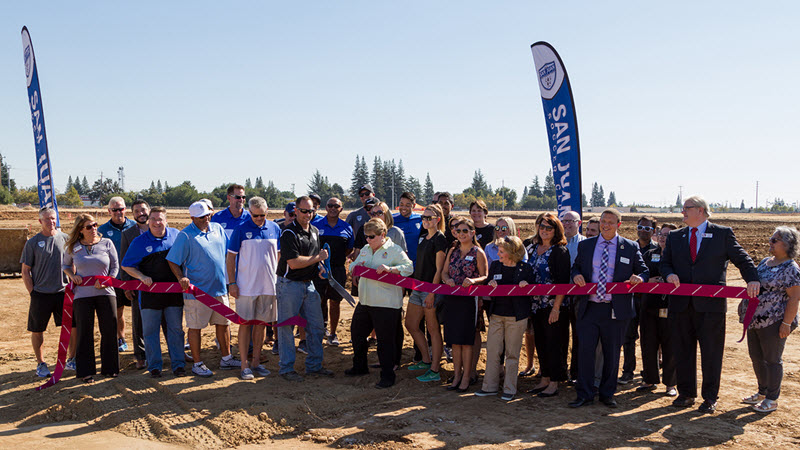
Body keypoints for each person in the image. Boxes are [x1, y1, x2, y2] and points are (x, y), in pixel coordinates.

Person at [661, 195, 760, 413]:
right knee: (683, 351)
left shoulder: (722, 233)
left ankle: (709, 398)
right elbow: (665, 263)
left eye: (686, 208)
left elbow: (742, 259)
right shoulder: (676, 236)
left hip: (711, 308)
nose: (682, 212)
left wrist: (752, 278)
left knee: (711, 353)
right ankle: (686, 394)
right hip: (680, 305)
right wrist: (668, 275)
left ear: (701, 210)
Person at [569, 208, 648, 408]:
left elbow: (644, 270)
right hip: (590, 307)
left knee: (612, 354)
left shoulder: (629, 247)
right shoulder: (586, 246)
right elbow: (576, 267)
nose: (605, 225)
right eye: (603, 221)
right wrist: (576, 275)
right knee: (585, 353)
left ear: (618, 225)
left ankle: (607, 394)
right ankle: (585, 394)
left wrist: (639, 278)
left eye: (610, 222)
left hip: (615, 309)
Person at [166, 201, 240, 377]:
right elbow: (172, 260)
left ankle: (226, 358)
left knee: (223, 325)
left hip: (220, 289)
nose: (206, 219)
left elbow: (228, 255)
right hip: (197, 293)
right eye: (201, 217)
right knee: (196, 327)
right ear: (192, 218)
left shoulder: (218, 229)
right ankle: (197, 363)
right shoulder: (185, 236)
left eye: (208, 215)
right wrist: (180, 277)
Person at [739, 226, 800, 413]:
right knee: (756, 357)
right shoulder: (765, 262)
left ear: (788, 244)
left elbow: (794, 298)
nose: (770, 243)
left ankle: (772, 399)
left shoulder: (791, 268)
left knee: (772, 360)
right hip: (755, 319)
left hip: (774, 321)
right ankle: (762, 392)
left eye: (775, 240)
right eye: (770, 239)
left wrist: (786, 324)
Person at [346, 219, 414, 388]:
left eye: (372, 237)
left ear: (382, 235)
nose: (368, 240)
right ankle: (359, 366)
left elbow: (409, 268)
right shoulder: (365, 249)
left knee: (385, 342)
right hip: (366, 300)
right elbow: (352, 265)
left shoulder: (394, 250)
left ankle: (387, 376)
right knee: (357, 334)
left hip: (386, 304)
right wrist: (355, 267)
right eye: (366, 237)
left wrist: (390, 269)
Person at [121, 207, 186, 378]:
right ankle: (155, 366)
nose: (157, 223)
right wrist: (141, 276)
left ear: (167, 221)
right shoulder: (139, 241)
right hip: (149, 296)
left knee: (176, 330)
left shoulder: (176, 235)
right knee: (150, 332)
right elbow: (126, 265)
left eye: (160, 219)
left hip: (173, 294)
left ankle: (178, 364)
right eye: (154, 219)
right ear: (148, 221)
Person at [276, 196, 333, 381]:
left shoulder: (315, 231)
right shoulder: (288, 233)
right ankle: (286, 369)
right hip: (289, 285)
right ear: (296, 210)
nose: (308, 214)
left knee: (316, 327)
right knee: (287, 327)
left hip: (309, 284)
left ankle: (315, 366)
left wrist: (320, 267)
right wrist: (318, 259)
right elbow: (293, 263)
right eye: (304, 211)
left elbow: (312, 257)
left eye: (311, 211)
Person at [225, 197, 281, 380]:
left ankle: (256, 362)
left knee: (261, 325)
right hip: (246, 288)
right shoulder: (241, 229)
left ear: (267, 211)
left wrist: (279, 281)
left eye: (262, 215)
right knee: (245, 325)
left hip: (268, 287)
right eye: (255, 216)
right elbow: (231, 258)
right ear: (250, 213)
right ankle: (244, 365)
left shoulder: (275, 228)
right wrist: (232, 283)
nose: (259, 219)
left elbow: (279, 257)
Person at [474, 236, 535, 401]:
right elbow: (488, 284)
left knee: (512, 353)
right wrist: (491, 284)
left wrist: (525, 285)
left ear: (511, 252)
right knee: (493, 351)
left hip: (516, 317)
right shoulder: (495, 266)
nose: (498, 254)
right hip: (496, 315)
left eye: (501, 251)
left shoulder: (525, 268)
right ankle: (489, 387)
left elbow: (533, 287)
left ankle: (510, 388)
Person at [62, 214, 120, 383]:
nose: (94, 228)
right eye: (89, 226)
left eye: (95, 225)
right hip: (82, 295)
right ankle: (85, 371)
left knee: (109, 330)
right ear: (80, 230)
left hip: (106, 293)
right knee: (84, 333)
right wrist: (72, 276)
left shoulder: (107, 243)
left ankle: (110, 369)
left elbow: (115, 266)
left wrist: (108, 280)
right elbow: (65, 265)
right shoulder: (73, 247)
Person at [21, 207, 75, 377]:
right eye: (47, 219)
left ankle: (72, 359)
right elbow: (25, 271)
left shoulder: (66, 239)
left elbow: (73, 264)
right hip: (41, 294)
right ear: (40, 222)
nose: (51, 222)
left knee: (72, 326)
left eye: (53, 218)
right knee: (37, 329)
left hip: (63, 293)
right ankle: (41, 363)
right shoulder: (32, 243)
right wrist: (33, 292)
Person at [526, 213, 571, 398]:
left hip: (554, 306)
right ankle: (544, 378)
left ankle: (554, 381)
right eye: (542, 227)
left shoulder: (560, 251)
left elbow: (562, 283)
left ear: (556, 230)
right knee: (541, 342)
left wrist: (556, 308)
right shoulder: (533, 248)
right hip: (536, 306)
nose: (544, 231)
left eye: (549, 228)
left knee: (554, 343)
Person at [441, 218, 488, 392]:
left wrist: (473, 280)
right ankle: (457, 376)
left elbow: (485, 276)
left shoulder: (478, 252)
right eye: (458, 231)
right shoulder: (453, 251)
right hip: (452, 299)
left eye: (465, 231)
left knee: (467, 341)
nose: (461, 234)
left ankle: (467, 377)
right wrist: (448, 280)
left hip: (470, 301)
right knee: (454, 341)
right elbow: (444, 273)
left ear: (472, 232)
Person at [405, 204, 448, 383]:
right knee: (411, 324)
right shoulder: (423, 237)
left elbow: (439, 269)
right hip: (418, 287)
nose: (425, 221)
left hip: (431, 290)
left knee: (433, 330)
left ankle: (435, 370)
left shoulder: (440, 239)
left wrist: (432, 291)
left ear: (438, 220)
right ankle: (426, 359)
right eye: (424, 217)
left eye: (429, 218)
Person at [637, 223, 678, 395]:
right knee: (648, 344)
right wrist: (647, 280)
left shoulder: (678, 257)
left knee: (670, 345)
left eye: (667, 235)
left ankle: (671, 384)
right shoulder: (649, 254)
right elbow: (641, 272)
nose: (662, 237)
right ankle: (649, 379)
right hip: (648, 306)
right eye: (661, 234)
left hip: (670, 307)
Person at [619, 215, 659, 385]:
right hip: (631, 299)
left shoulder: (659, 251)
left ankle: (649, 373)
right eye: (641, 227)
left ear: (653, 231)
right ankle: (628, 371)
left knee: (650, 338)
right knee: (628, 337)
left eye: (648, 228)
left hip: (651, 301)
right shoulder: (629, 248)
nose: (643, 231)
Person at [312, 197, 354, 346]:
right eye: (330, 205)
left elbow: (349, 249)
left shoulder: (346, 228)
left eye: (336, 206)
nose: (333, 208)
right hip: (318, 270)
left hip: (338, 270)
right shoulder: (315, 225)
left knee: (335, 302)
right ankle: (319, 331)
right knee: (319, 302)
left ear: (341, 209)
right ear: (326, 207)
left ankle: (333, 333)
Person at [97, 196, 136, 353]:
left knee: (140, 312)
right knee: (118, 312)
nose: (118, 212)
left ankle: (141, 340)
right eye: (114, 210)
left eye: (121, 209)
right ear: (109, 211)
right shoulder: (102, 231)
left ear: (125, 209)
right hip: (116, 279)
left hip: (135, 278)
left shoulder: (134, 226)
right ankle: (121, 338)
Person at [119, 199, 151, 369]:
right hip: (137, 285)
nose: (141, 213)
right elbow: (124, 260)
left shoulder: (159, 229)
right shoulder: (128, 234)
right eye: (137, 211)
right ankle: (140, 355)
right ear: (133, 214)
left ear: (149, 210)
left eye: (143, 210)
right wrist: (127, 285)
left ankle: (175, 352)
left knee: (167, 321)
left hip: (159, 284)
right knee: (138, 321)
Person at [560, 210, 584, 384]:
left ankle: (576, 372)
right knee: (560, 336)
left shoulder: (586, 244)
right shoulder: (555, 243)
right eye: (564, 221)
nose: (567, 224)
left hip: (578, 297)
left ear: (579, 223)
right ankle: (559, 372)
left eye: (571, 221)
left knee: (578, 336)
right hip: (558, 297)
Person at [393, 192, 422, 263]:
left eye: (407, 205)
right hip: (397, 264)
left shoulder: (420, 219)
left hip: (416, 263)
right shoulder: (392, 220)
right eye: (401, 205)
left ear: (414, 205)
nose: (403, 208)